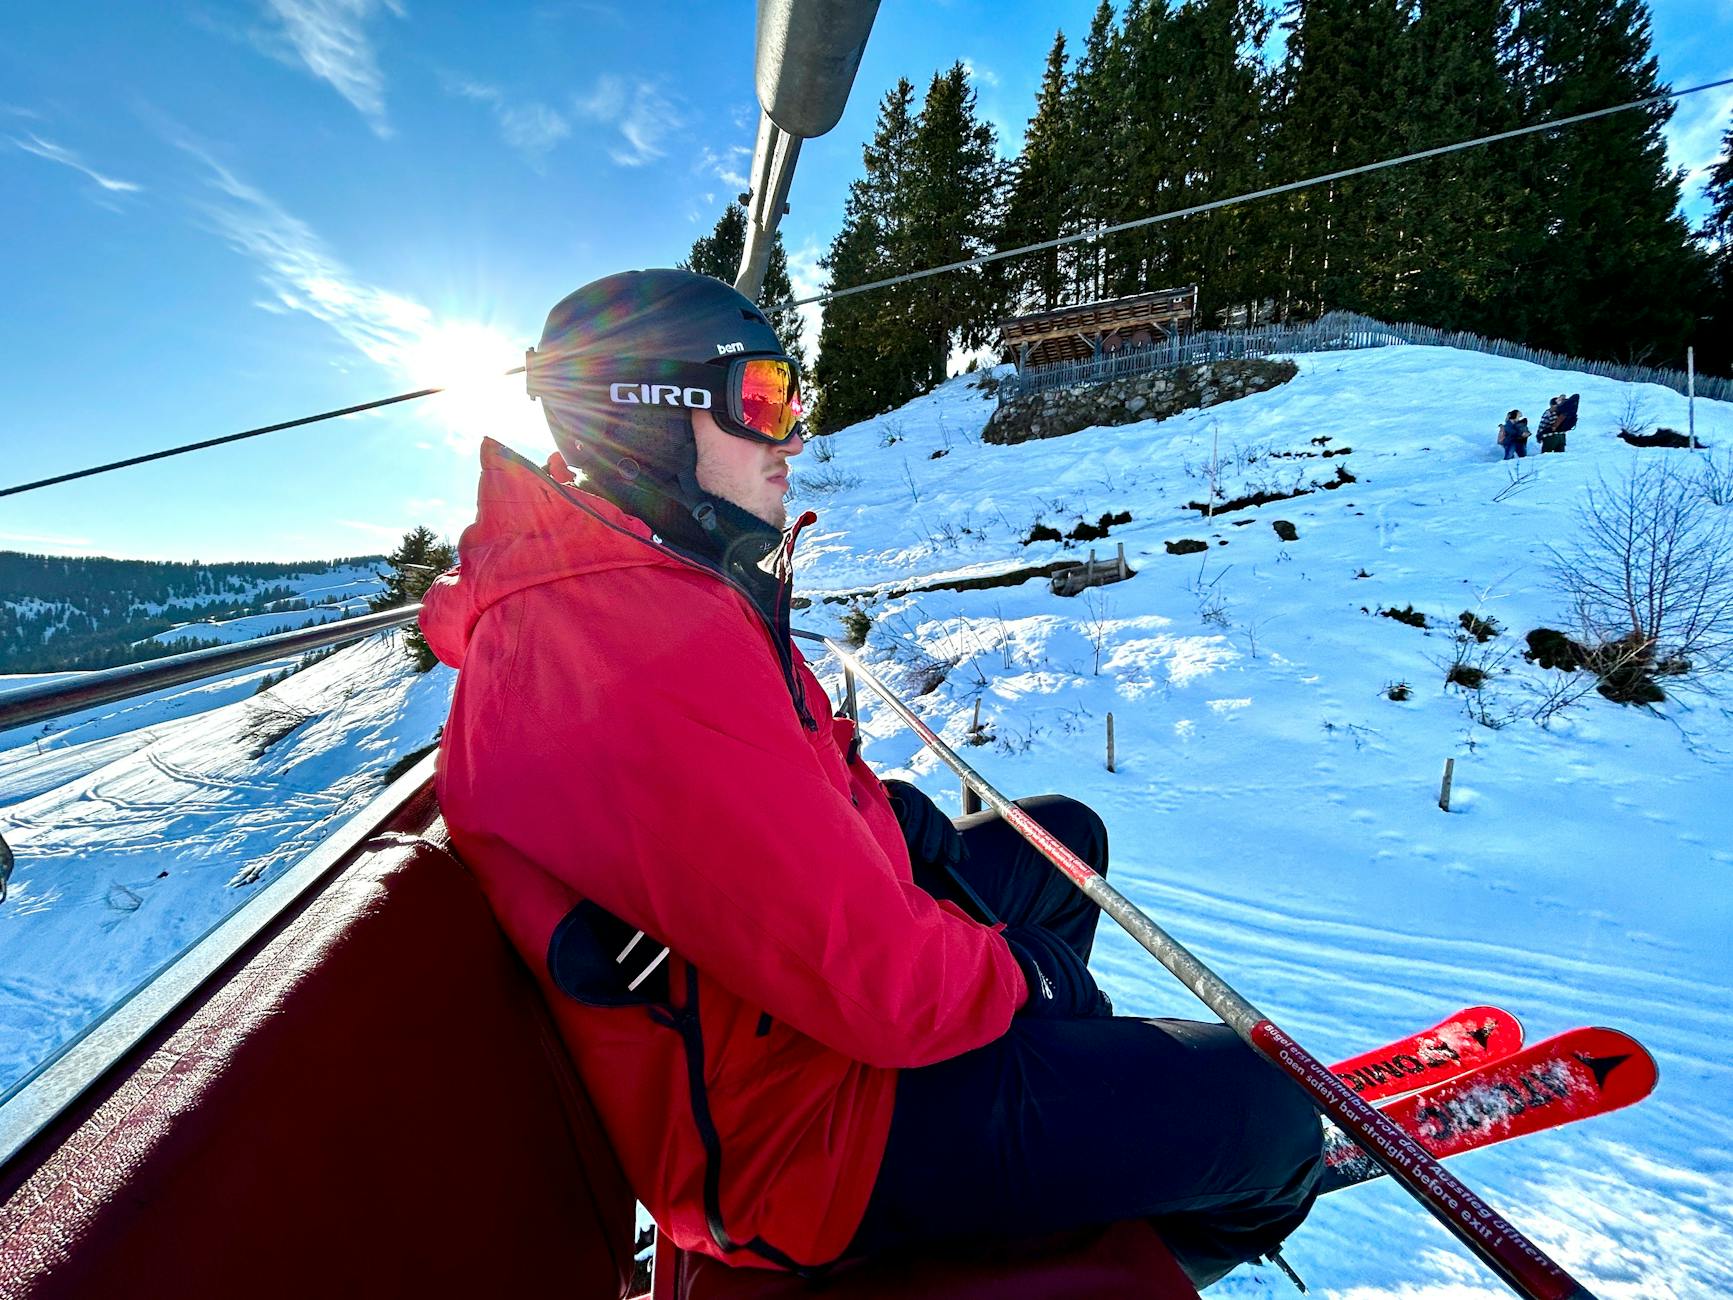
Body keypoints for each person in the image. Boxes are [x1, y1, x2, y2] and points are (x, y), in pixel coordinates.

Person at [419, 269, 1322, 1289]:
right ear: (652, 416)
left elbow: (782, 790)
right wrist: (1020, 976)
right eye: (761, 399)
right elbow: (877, 983)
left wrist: (896, 820)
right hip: (792, 1138)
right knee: (1268, 1115)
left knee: (1062, 843)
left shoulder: (643, 581)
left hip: (760, 1024)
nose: (790, 437)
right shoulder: (636, 640)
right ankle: (1078, 1261)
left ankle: (1055, 1145)